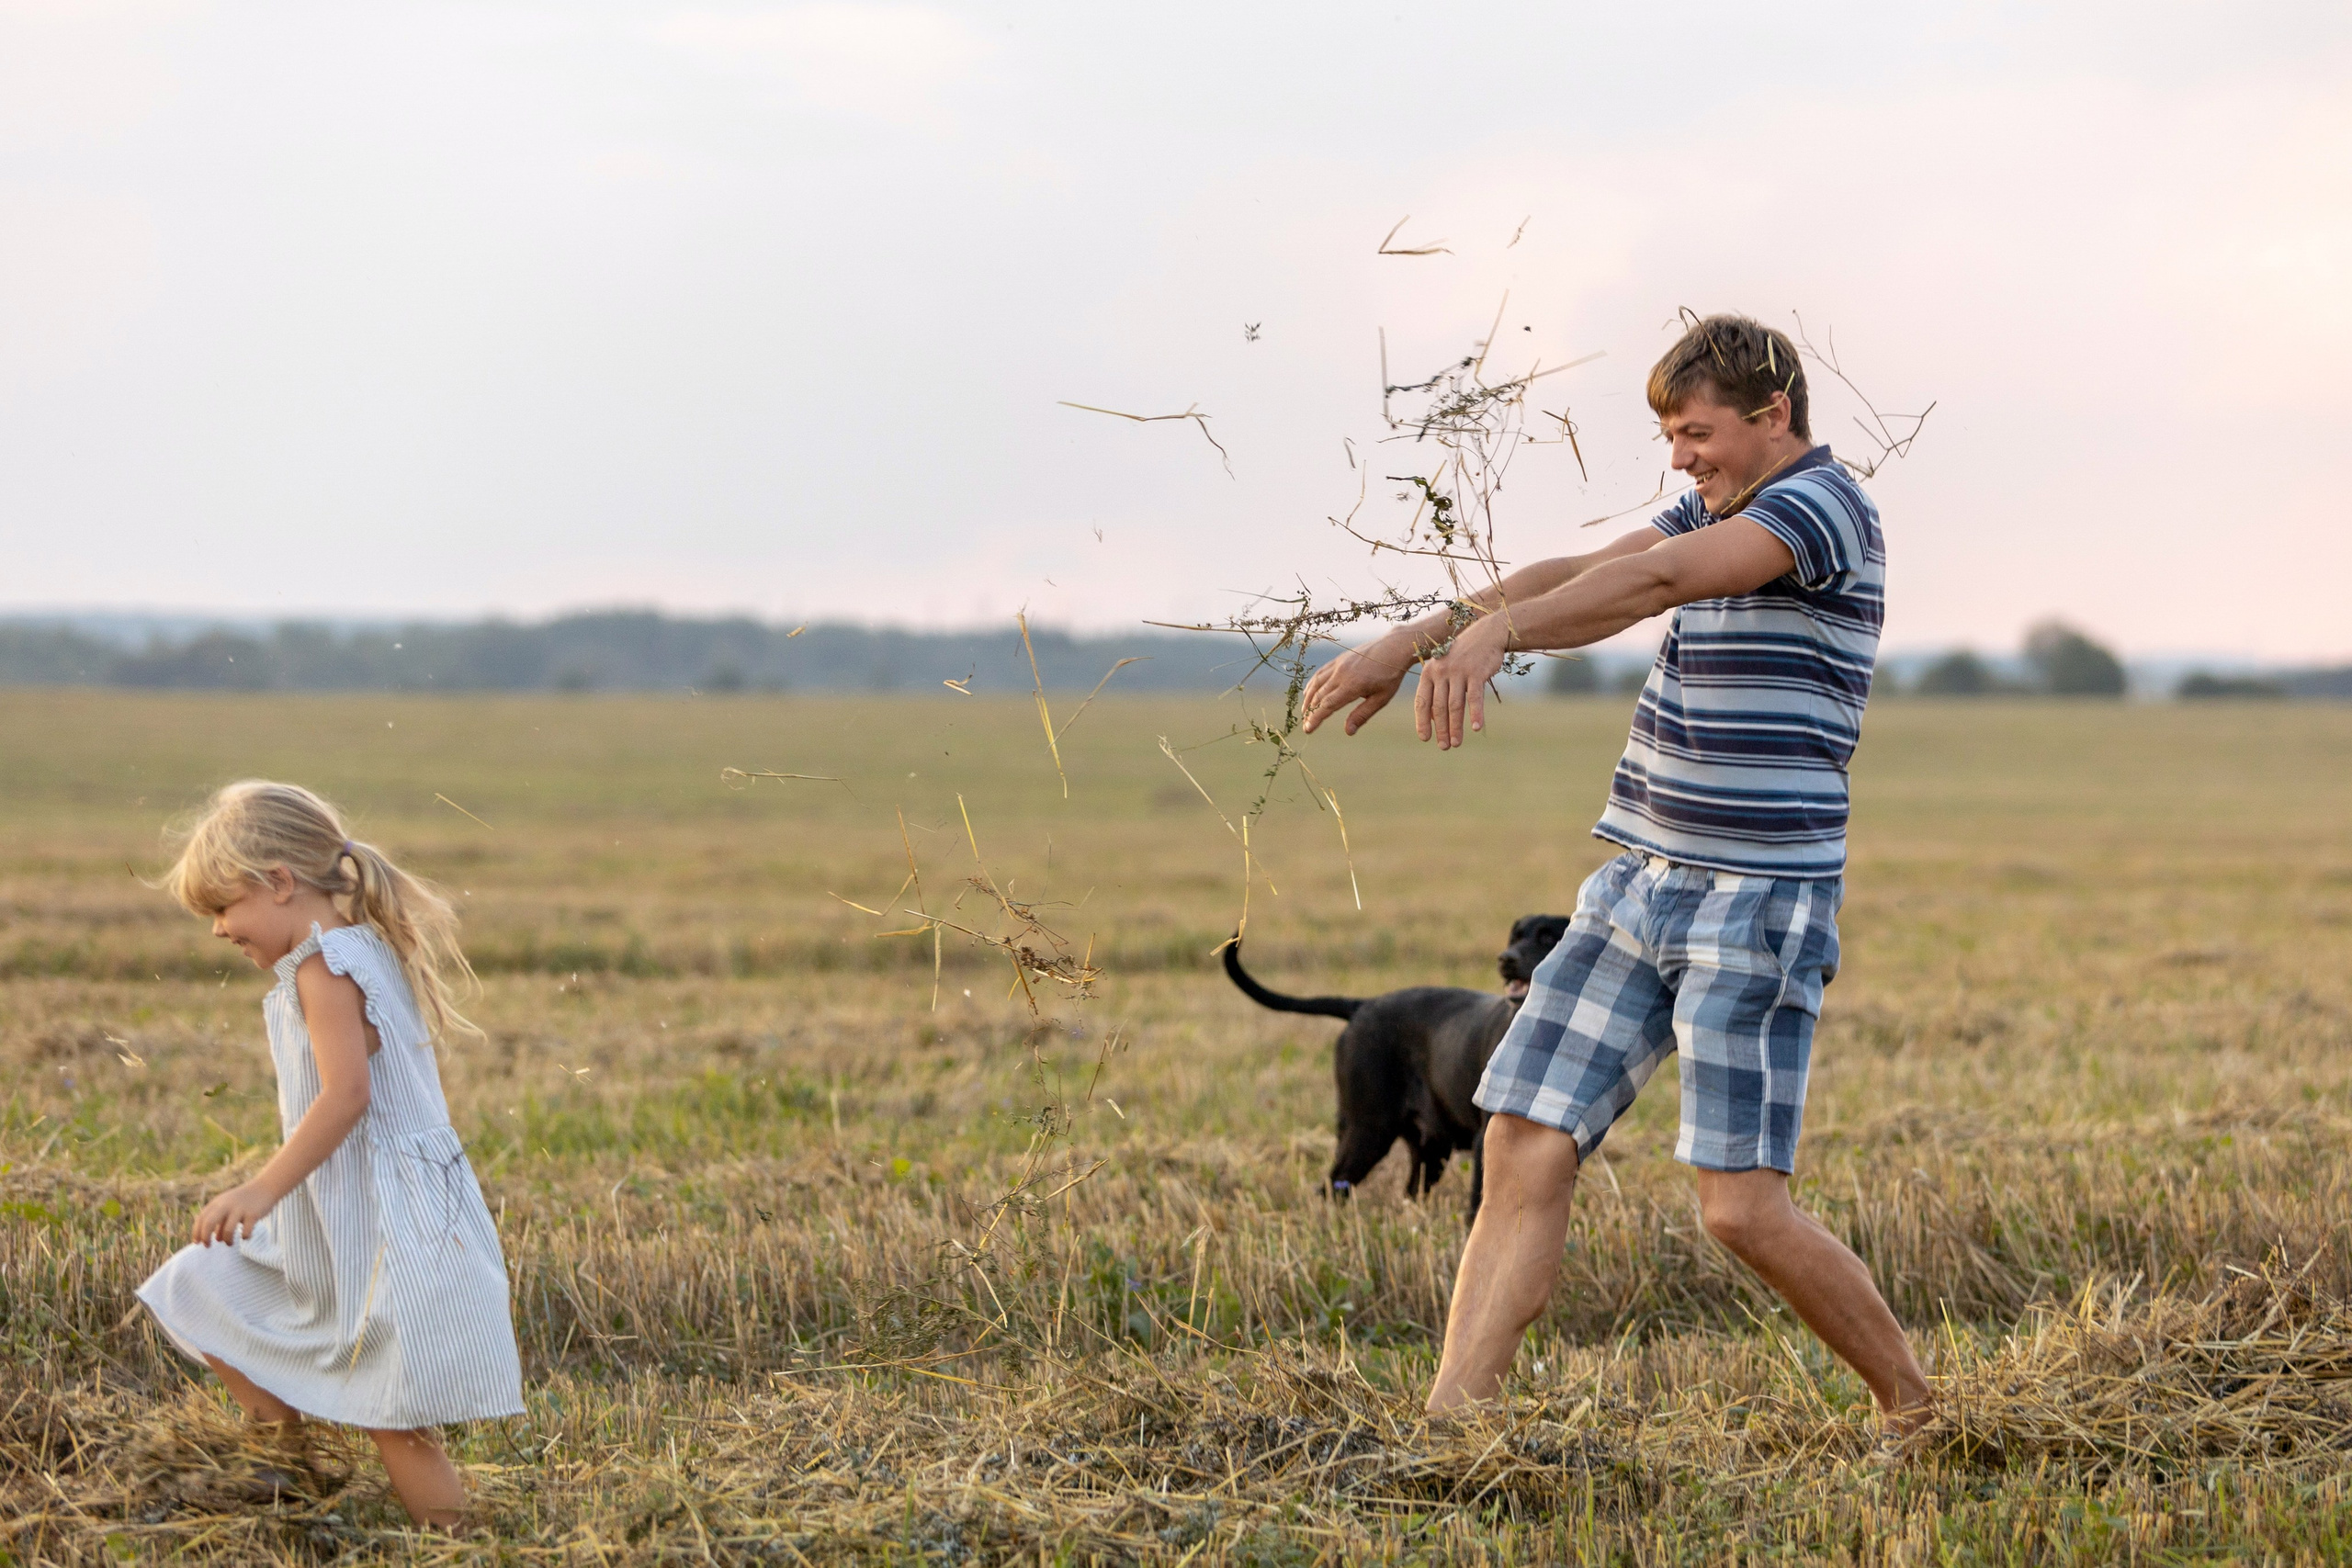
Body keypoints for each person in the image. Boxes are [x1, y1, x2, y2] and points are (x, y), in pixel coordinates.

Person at [1299, 313, 1931, 1431]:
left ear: (1772, 416)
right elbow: (1595, 567)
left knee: (1739, 1213)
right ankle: (1452, 1434)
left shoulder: (1820, 509)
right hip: (1638, 881)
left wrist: (1499, 642)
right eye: (1669, 439)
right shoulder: (1715, 502)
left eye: (1695, 434)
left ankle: (1920, 1411)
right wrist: (1418, 636)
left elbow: (1659, 585)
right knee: (1520, 1139)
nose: (1679, 459)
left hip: (1756, 899)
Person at [139, 781, 523, 1528]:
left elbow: (346, 1095)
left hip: (384, 1222)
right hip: (352, 1211)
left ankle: (459, 1543)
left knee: (393, 1413)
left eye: (223, 907)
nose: (218, 929)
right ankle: (280, 1468)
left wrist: (259, 1190)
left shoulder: (324, 964)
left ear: (279, 883)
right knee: (204, 1281)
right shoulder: (358, 948)